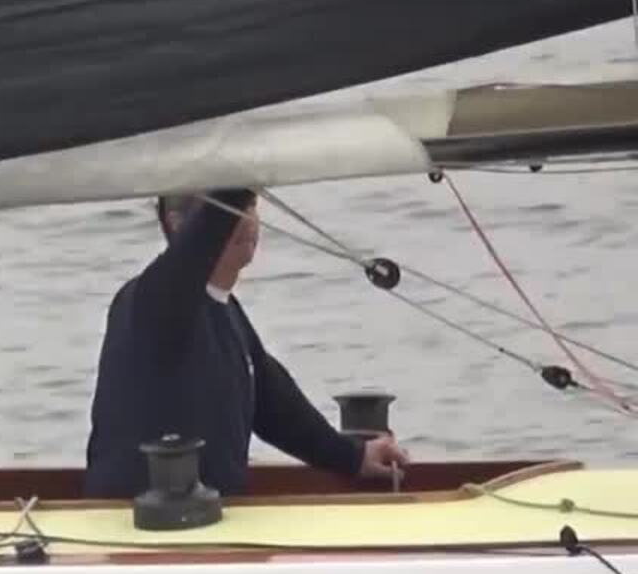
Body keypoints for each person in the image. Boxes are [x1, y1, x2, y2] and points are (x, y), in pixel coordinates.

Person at [84, 189, 410, 499]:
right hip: (137, 526)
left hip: (213, 521)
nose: (246, 219)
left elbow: (275, 407)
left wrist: (354, 457)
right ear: (177, 223)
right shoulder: (153, 302)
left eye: (251, 205)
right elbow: (196, 248)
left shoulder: (227, 311)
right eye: (229, 211)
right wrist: (243, 175)